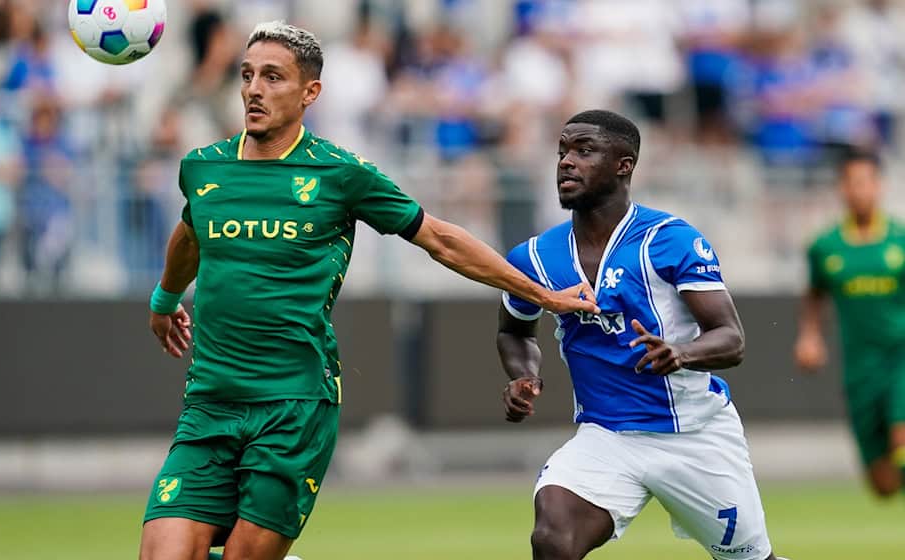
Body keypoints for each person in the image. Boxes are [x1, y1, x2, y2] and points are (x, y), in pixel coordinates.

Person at [140, 21, 598, 560]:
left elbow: (440, 239)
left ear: (310, 92)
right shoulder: (203, 168)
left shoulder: (340, 174)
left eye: (272, 77)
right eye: (247, 76)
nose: (254, 90)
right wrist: (165, 300)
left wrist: (540, 294)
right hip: (209, 404)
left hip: (293, 407)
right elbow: (191, 234)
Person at [497, 110, 785, 560]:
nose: (567, 162)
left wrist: (681, 352)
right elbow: (515, 331)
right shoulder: (533, 256)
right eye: (562, 152)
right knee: (553, 537)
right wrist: (522, 374)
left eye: (584, 151)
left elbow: (732, 339)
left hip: (694, 435)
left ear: (623, 165)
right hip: (606, 436)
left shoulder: (669, 240)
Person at [794, 149, 905, 498]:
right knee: (883, 486)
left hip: (899, 358)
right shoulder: (825, 247)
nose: (860, 190)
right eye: (852, 183)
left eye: (866, 182)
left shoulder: (900, 241)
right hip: (860, 369)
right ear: (841, 188)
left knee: (902, 433)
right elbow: (815, 295)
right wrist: (810, 337)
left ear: (879, 186)